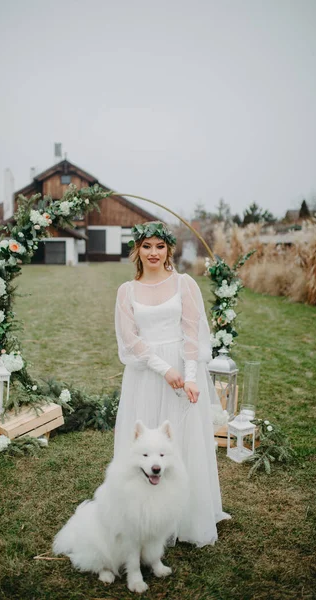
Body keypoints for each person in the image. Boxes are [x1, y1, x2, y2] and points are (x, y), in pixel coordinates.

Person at [114, 221, 230, 548]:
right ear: (137, 249)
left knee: (184, 441)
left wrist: (190, 376)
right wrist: (164, 369)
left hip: (183, 369)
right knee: (146, 440)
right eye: (147, 246)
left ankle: (187, 516)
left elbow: (192, 331)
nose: (153, 253)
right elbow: (130, 339)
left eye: (160, 246)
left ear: (169, 249)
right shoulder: (127, 291)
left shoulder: (184, 284)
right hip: (146, 374)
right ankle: (143, 518)